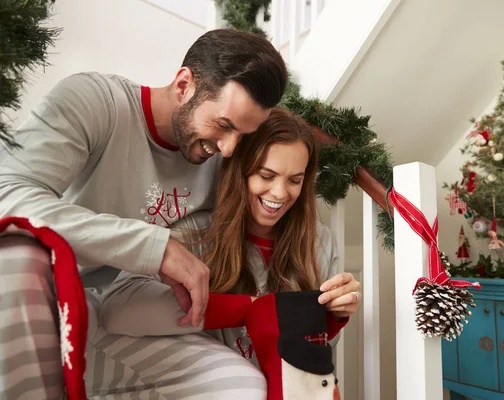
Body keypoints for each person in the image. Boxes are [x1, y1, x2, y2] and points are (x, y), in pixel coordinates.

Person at [0, 29, 287, 399]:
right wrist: (155, 246)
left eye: (243, 135)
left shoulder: (220, 164)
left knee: (240, 385)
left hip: (122, 317)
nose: (229, 149)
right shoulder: (96, 102)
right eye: (224, 125)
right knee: (18, 257)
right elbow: (8, 196)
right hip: (46, 297)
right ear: (184, 85)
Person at [97, 108, 361, 394]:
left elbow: (317, 361)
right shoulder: (193, 234)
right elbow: (117, 308)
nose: (280, 193)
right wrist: (247, 309)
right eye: (266, 175)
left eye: (294, 180)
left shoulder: (318, 242)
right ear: (241, 170)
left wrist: (334, 316)